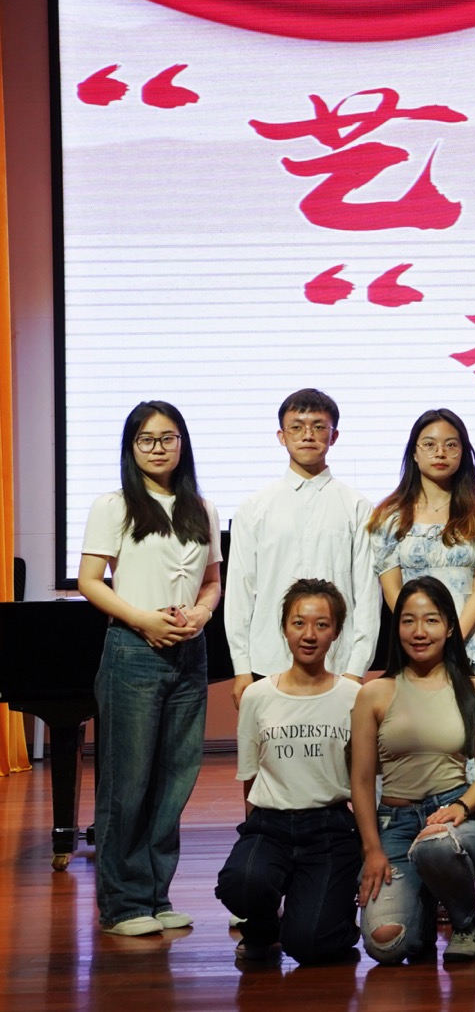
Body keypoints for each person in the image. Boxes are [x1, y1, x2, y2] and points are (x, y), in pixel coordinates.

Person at [78, 401, 222, 937]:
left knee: (174, 780)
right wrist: (142, 620)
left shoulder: (201, 507)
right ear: (131, 446)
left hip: (190, 652)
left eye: (168, 438)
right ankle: (123, 904)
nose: (158, 448)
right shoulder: (114, 505)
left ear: (182, 443)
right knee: (128, 782)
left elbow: (212, 581)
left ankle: (157, 897)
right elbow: (89, 580)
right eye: (146, 439)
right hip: (133, 650)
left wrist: (203, 613)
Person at [352, 577, 475, 964]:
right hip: (396, 824)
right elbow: (362, 781)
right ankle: (424, 901)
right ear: (397, 627)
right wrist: (372, 850)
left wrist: (460, 808)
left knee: (436, 847)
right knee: (386, 944)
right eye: (408, 621)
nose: (419, 632)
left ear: (450, 627)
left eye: (431, 620)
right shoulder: (373, 694)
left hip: (456, 819)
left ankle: (465, 923)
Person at [216, 579, 363, 964]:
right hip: (270, 824)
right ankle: (263, 924)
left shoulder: (353, 697)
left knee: (309, 945)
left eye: (321, 624)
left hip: (330, 829)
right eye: (299, 623)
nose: (309, 635)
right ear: (284, 627)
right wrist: (252, 841)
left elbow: (364, 781)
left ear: (336, 632)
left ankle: (333, 913)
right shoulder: (257, 695)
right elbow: (250, 775)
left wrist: (370, 845)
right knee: (242, 881)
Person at [368, 409, 475, 809]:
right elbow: (392, 587)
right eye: (429, 445)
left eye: (450, 445)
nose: (440, 453)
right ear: (414, 453)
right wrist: (419, 630)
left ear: (464, 453)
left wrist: (452, 636)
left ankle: (466, 817)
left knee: (466, 734)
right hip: (413, 641)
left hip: (466, 639)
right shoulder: (390, 515)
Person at [224, 388, 377, 704]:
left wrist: (356, 669)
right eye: (297, 426)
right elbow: (241, 591)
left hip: (339, 664)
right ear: (281, 436)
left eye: (319, 426)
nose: (308, 435)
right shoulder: (254, 508)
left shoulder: (357, 506)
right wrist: (241, 667)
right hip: (268, 662)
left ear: (334, 436)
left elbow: (367, 594)